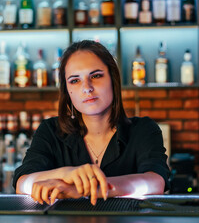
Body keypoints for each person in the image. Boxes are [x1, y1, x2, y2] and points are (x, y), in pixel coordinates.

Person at [13, 40, 170, 206]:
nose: (86, 88)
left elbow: (154, 182)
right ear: (67, 91)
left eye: (95, 76)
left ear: (113, 79)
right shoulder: (50, 131)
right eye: (75, 80)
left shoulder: (143, 130)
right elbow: (22, 183)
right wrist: (65, 174)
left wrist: (87, 189)